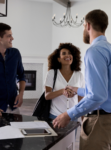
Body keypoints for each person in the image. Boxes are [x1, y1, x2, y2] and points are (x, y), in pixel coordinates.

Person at [53, 9, 111, 150]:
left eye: (83, 26)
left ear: (88, 26)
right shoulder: (108, 49)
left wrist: (68, 114)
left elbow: (97, 96)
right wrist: (78, 90)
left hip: (99, 121)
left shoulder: (94, 51)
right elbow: (105, 89)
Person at [44, 43, 84, 120]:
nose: (67, 55)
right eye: (64, 54)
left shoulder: (79, 75)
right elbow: (47, 96)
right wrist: (62, 91)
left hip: (73, 116)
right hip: (55, 116)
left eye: (70, 53)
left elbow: (80, 98)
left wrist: (82, 118)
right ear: (59, 59)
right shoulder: (52, 73)